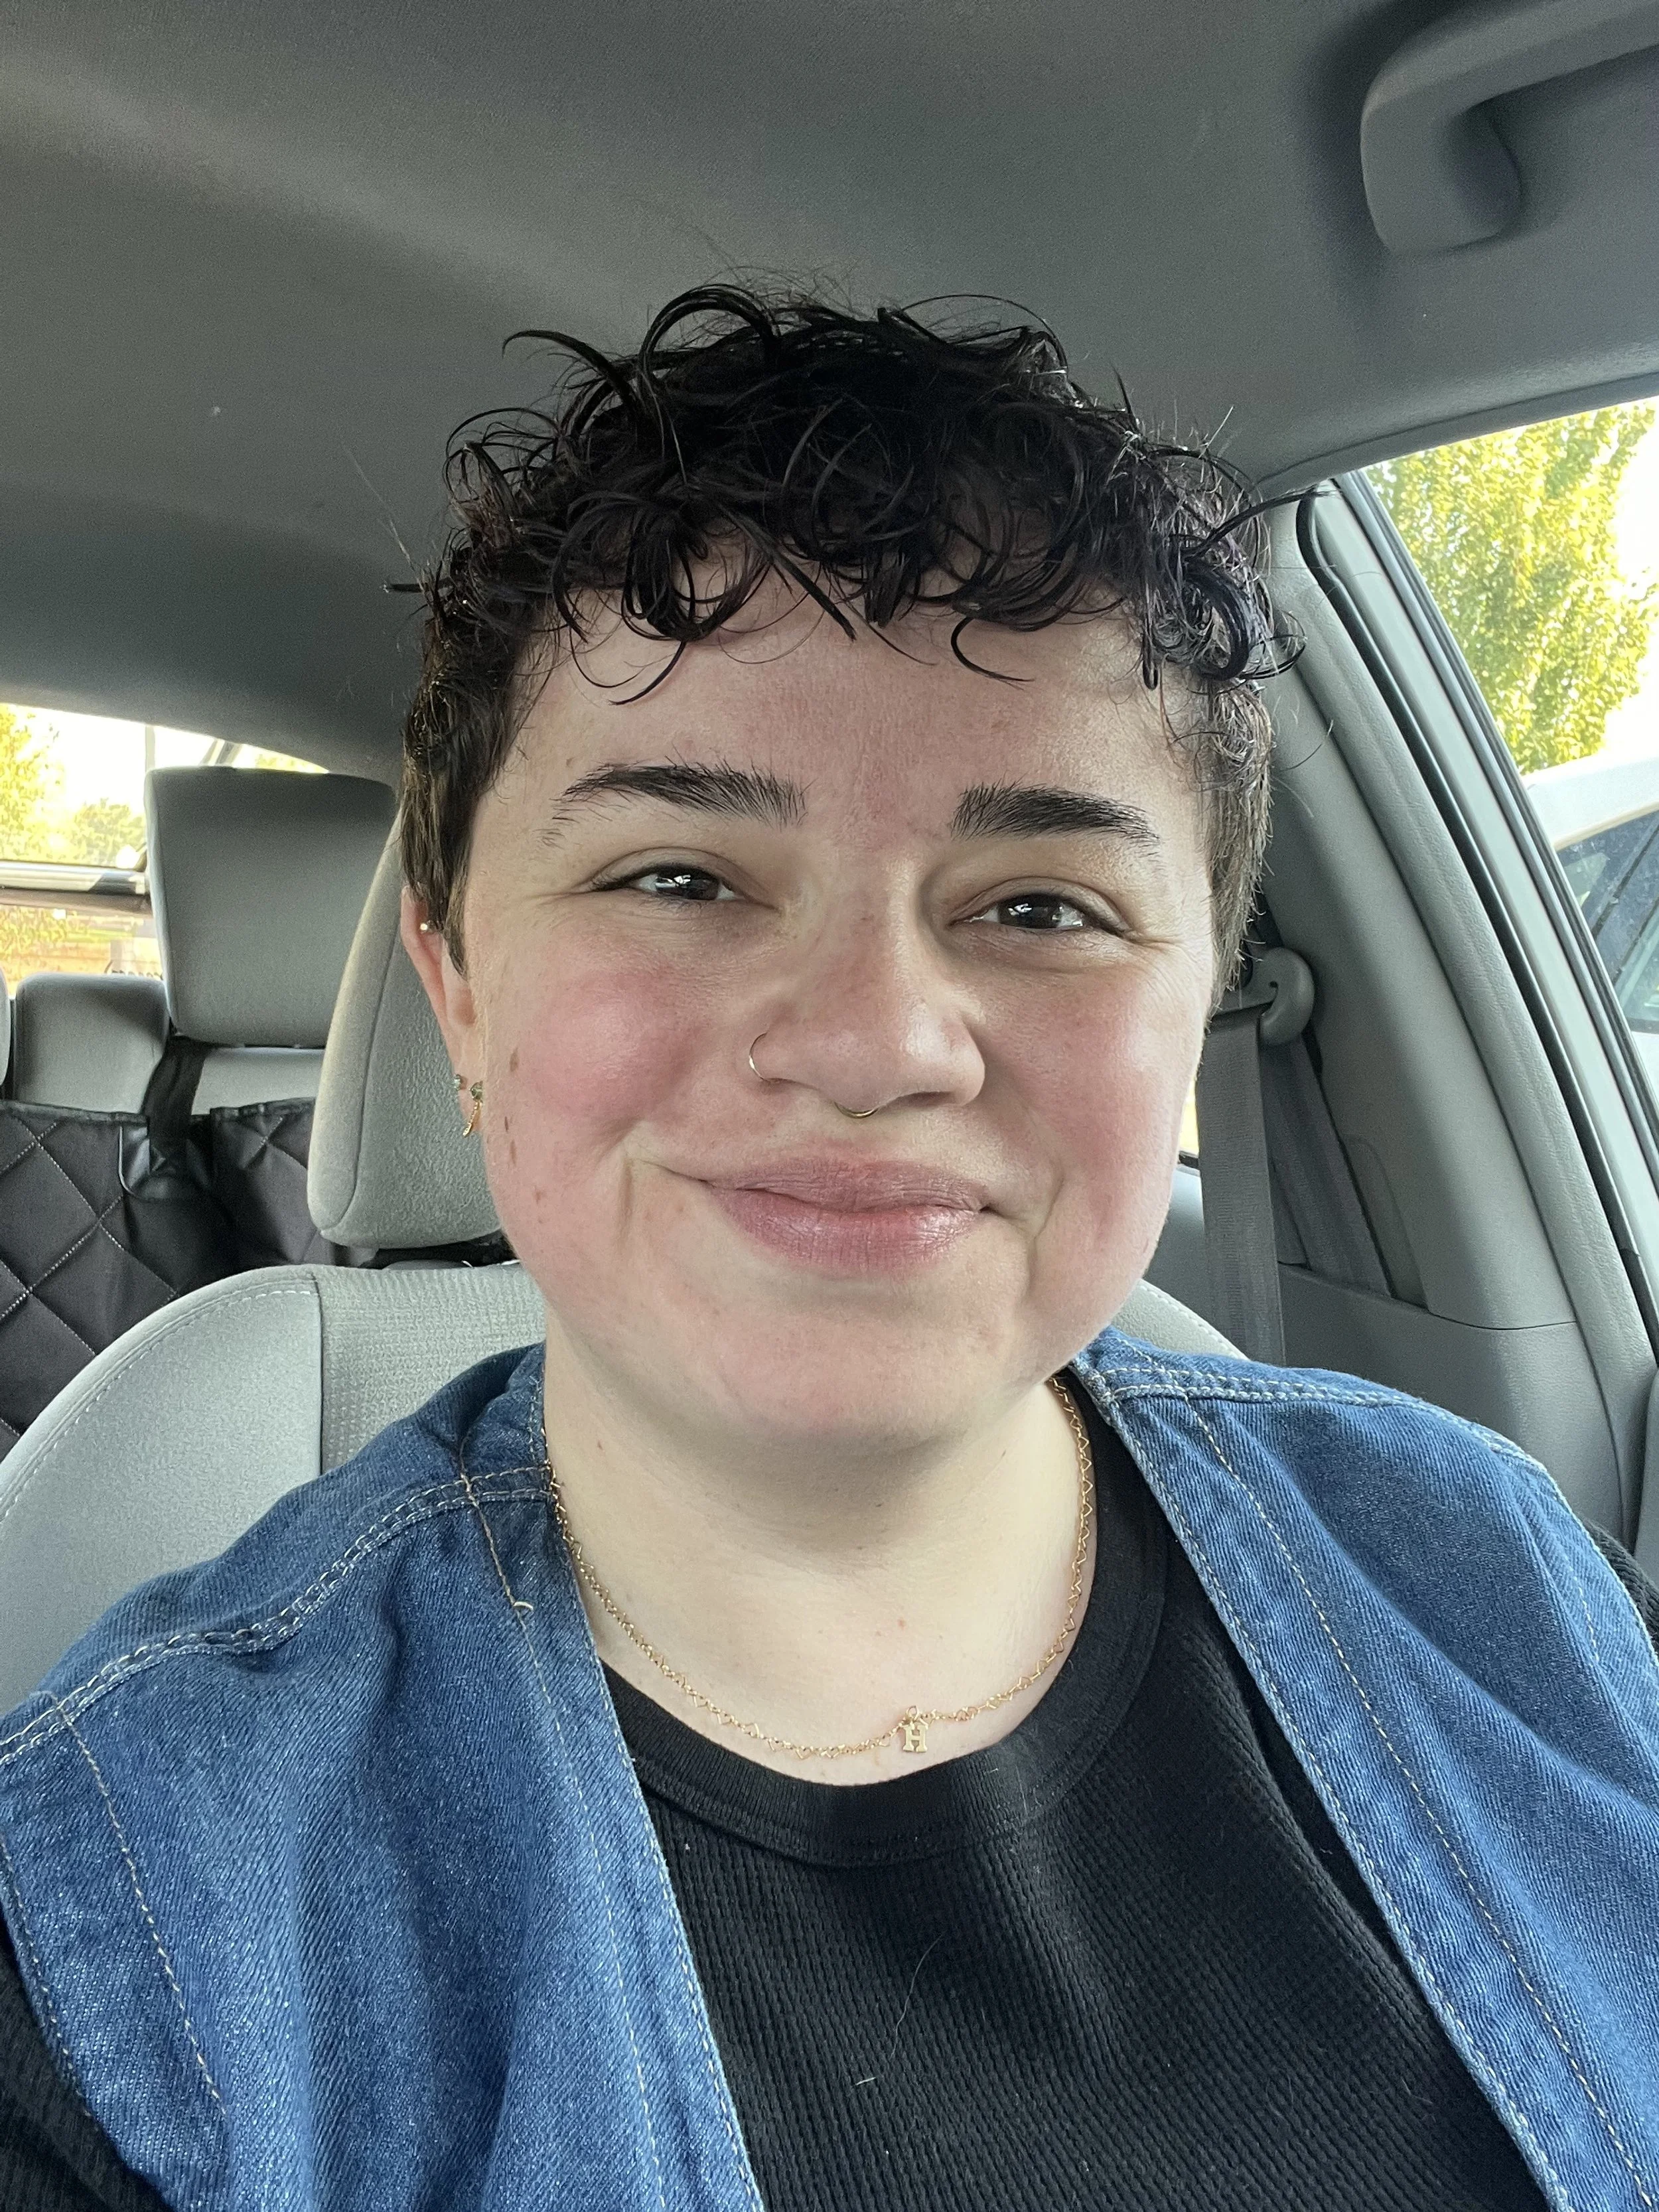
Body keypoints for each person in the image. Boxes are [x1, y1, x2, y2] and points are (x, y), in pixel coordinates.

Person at [2, 287, 1656, 2212]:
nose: (874, 1039)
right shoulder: (126, 1920)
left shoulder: (1487, 1571)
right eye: (681, 876)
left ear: (1198, 989)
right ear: (456, 990)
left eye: (1041, 902)